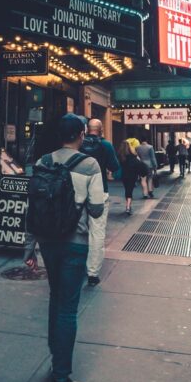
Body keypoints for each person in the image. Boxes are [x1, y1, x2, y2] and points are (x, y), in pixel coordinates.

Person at [23, 114, 105, 382]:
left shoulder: (43, 162)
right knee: (68, 309)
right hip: (75, 243)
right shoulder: (90, 164)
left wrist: (29, 248)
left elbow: (32, 206)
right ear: (81, 134)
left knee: (55, 299)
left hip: (47, 242)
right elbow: (96, 209)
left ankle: (56, 359)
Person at [80, 118, 119, 287]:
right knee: (97, 232)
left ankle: (77, 265)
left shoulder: (79, 144)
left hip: (79, 191)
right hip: (99, 190)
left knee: (78, 230)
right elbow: (115, 166)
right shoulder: (106, 145)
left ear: (87, 129)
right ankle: (93, 273)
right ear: (101, 129)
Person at [118, 139, 148, 214]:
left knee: (127, 190)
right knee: (130, 190)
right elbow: (140, 165)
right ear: (129, 147)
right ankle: (128, 207)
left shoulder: (120, 157)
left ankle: (128, 205)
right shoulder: (132, 157)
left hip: (124, 176)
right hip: (132, 176)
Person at [135, 134, 158, 199]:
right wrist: (155, 166)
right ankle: (150, 191)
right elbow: (153, 158)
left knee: (143, 179)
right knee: (150, 178)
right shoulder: (150, 147)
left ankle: (145, 194)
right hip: (149, 165)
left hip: (141, 164)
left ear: (140, 140)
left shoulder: (137, 148)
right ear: (146, 140)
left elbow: (137, 156)